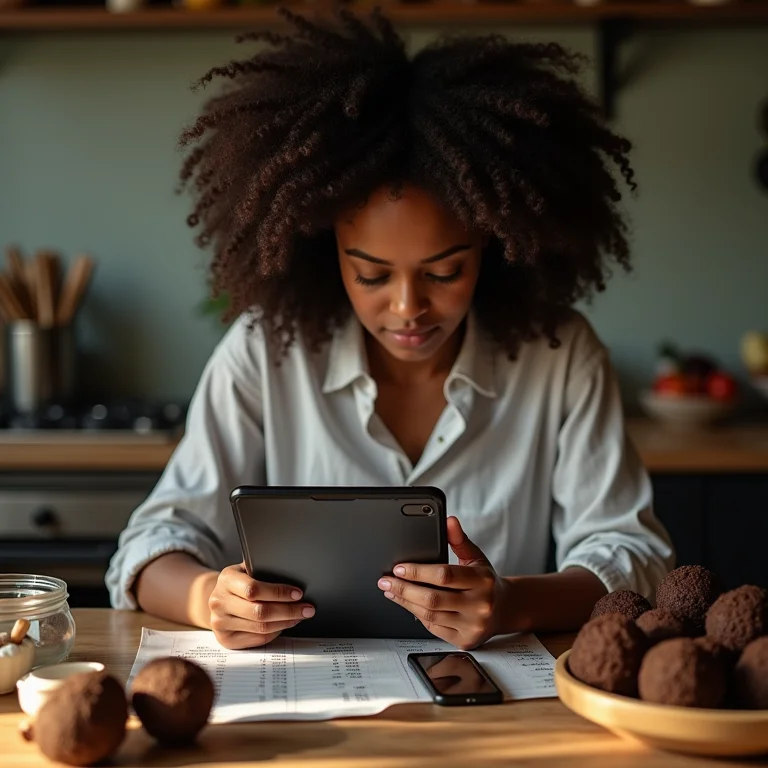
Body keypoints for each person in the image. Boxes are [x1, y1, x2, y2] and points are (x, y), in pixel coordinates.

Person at [106, 7, 674, 651]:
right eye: (373, 275)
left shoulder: (560, 356)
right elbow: (153, 545)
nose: (409, 307)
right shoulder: (265, 353)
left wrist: (511, 602)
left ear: (495, 245)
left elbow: (632, 554)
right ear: (325, 252)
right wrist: (209, 598)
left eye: (446, 270)